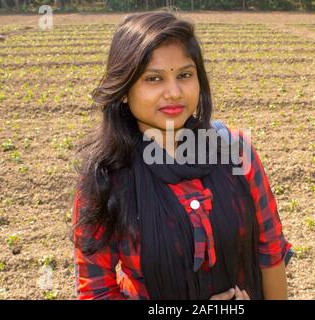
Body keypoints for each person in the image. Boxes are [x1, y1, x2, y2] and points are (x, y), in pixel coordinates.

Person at [71, 10, 292, 300]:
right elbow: (97, 292)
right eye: (153, 79)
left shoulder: (236, 151)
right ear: (124, 89)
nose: (174, 92)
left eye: (185, 75)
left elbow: (270, 252)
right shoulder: (106, 178)